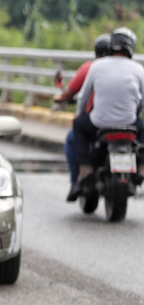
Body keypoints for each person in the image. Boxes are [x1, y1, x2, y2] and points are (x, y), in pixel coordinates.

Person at [71, 26, 144, 187]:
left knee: (78, 125)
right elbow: (142, 100)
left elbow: (83, 96)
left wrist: (80, 113)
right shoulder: (139, 69)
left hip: (99, 122)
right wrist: (135, 113)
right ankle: (141, 166)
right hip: (129, 122)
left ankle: (85, 168)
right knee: (142, 130)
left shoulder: (97, 66)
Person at [54, 33, 110, 201]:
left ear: (96, 52)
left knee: (73, 137)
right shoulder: (130, 68)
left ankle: (77, 180)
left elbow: (73, 94)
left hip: (96, 122)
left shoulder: (91, 68)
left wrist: (61, 98)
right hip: (126, 122)